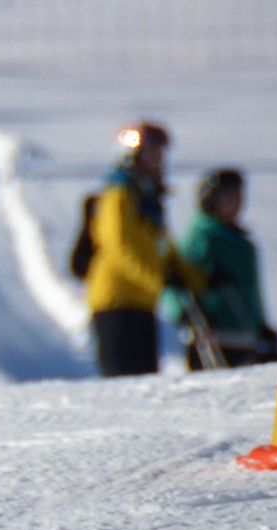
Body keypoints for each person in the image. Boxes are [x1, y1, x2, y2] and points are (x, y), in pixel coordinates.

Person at [85, 121, 204, 376]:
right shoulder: (119, 195)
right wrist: (159, 281)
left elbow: (163, 247)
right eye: (151, 155)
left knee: (145, 376)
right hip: (117, 302)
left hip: (141, 302)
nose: (158, 161)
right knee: (125, 381)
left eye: (160, 155)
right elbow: (121, 249)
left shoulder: (148, 200)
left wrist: (195, 280)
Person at [170, 168, 277, 369]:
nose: (236, 203)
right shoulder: (203, 237)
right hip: (213, 338)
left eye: (238, 196)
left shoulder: (241, 242)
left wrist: (259, 324)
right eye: (227, 197)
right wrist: (181, 312)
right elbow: (177, 278)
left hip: (244, 336)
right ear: (211, 201)